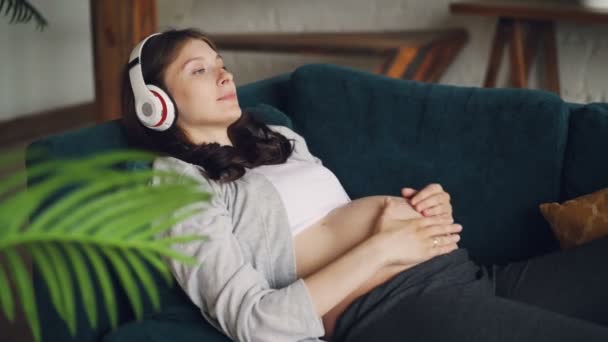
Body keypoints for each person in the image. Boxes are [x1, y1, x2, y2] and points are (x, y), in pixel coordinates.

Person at [121, 28, 608, 342]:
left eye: (220, 61)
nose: (223, 73)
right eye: (199, 69)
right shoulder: (178, 185)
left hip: (464, 277)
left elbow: (337, 218)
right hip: (392, 310)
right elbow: (254, 321)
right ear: (155, 103)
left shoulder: (276, 138)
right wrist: (384, 246)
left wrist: (425, 209)